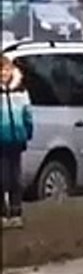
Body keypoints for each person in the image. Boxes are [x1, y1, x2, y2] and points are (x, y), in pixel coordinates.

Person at [0, 55, 33, 230]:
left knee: (16, 179)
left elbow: (28, 115)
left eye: (6, 69)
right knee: (2, 178)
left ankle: (16, 212)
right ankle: (3, 214)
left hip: (17, 140)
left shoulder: (20, 92)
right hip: (2, 141)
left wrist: (28, 132)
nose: (4, 73)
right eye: (1, 70)